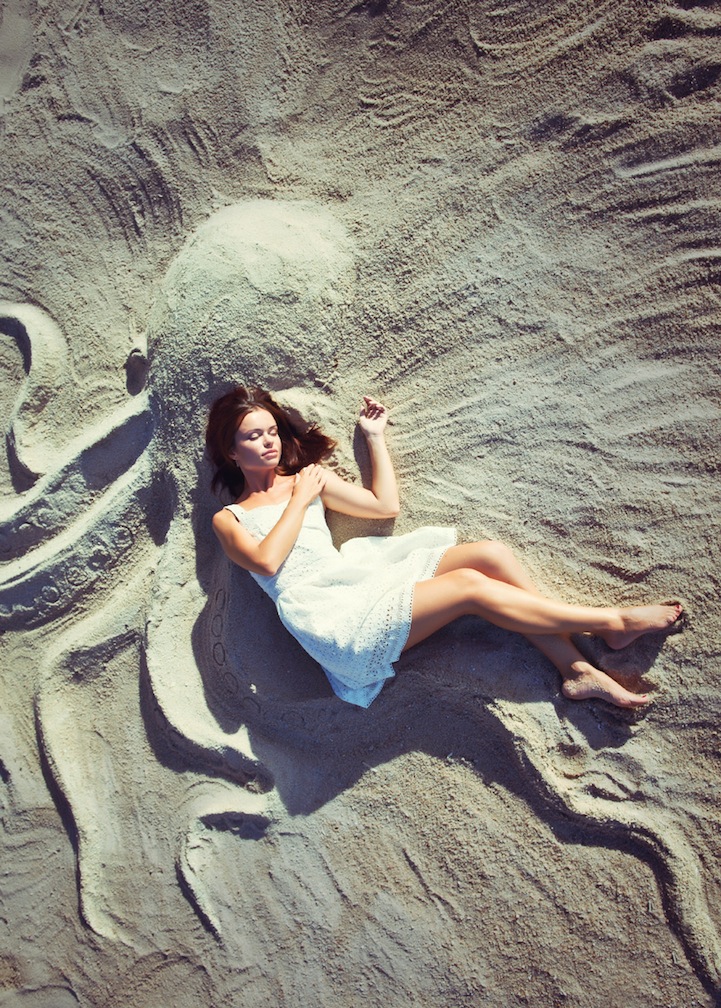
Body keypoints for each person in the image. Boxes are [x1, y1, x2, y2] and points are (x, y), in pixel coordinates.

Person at [207, 386, 684, 710]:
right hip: (331, 621)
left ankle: (575, 668)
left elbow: (384, 505)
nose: (268, 442)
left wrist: (374, 438)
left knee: (490, 555)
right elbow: (266, 560)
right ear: (231, 451)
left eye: (272, 431)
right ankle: (610, 623)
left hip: (358, 583)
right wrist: (300, 500)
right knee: (470, 587)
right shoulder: (230, 519)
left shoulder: (306, 480)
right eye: (253, 436)